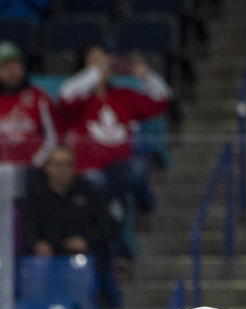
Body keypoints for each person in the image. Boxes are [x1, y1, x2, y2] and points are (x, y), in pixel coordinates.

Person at [59, 45, 171, 220]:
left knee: (138, 168)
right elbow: (66, 95)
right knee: (95, 181)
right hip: (88, 169)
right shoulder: (78, 99)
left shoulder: (124, 96)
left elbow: (162, 100)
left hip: (119, 167)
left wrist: (147, 76)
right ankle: (112, 208)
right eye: (96, 61)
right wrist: (95, 74)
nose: (103, 65)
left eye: (105, 60)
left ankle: (139, 207)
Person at [20, 145, 113, 258]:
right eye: (57, 165)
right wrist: (36, 244)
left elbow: (106, 224)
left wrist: (87, 240)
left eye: (67, 165)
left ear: (74, 168)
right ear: (47, 167)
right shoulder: (36, 195)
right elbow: (28, 227)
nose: (62, 170)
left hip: (84, 252)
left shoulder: (88, 192)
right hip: (48, 254)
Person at [0, 41, 56, 167]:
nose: (11, 70)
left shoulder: (39, 97)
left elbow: (53, 137)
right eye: (5, 66)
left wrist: (36, 163)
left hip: (34, 169)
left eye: (16, 64)